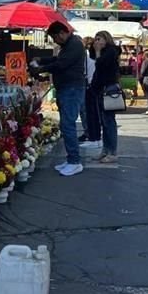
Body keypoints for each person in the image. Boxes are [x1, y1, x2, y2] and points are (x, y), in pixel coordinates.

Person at [31, 21, 86, 177]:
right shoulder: (68, 46)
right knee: (66, 124)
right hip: (66, 88)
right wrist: (42, 60)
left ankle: (75, 162)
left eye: (55, 38)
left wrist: (41, 68)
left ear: (62, 33)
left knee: (68, 125)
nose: (55, 41)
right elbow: (57, 59)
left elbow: (62, 64)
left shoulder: (75, 44)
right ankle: (70, 159)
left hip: (72, 89)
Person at [89, 30, 120, 163]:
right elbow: (92, 57)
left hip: (109, 88)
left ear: (106, 39)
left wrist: (98, 52)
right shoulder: (101, 51)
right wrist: (94, 48)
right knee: (104, 122)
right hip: (100, 89)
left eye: (99, 39)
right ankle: (105, 150)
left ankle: (112, 152)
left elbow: (100, 63)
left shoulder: (111, 51)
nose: (97, 41)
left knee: (109, 122)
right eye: (96, 39)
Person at [79, 37, 101, 150]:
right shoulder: (94, 55)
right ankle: (94, 136)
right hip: (94, 84)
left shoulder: (86, 56)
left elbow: (84, 71)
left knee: (88, 112)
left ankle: (92, 135)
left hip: (88, 85)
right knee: (93, 112)